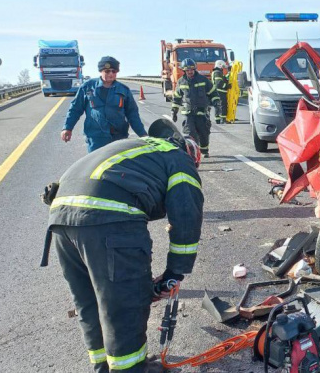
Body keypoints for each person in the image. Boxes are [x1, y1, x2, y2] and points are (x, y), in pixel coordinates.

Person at [40, 118, 203, 373]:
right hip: (107, 219)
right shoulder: (179, 159)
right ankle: (131, 369)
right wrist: (174, 273)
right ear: (191, 154)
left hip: (61, 218)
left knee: (90, 301)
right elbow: (186, 217)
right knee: (125, 303)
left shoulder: (135, 148)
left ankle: (103, 366)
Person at [62, 56, 147, 152]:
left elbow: (133, 115)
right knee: (96, 166)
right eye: (107, 71)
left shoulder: (124, 90)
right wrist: (67, 128)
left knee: (118, 166)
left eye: (113, 71)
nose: (110, 74)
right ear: (101, 71)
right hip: (96, 139)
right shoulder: (87, 87)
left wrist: (143, 135)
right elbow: (75, 109)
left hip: (118, 138)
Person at [171, 58, 219, 157]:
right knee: (190, 134)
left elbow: (213, 92)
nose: (190, 72)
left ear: (195, 69)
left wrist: (216, 103)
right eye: (187, 70)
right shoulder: (181, 82)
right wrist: (174, 112)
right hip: (188, 114)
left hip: (202, 113)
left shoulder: (203, 80)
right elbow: (177, 98)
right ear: (184, 70)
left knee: (204, 133)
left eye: (192, 70)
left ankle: (204, 151)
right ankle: (193, 153)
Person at [211, 60, 230, 124]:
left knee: (218, 105)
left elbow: (223, 79)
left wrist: (229, 74)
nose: (223, 68)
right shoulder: (217, 72)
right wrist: (227, 86)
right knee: (222, 105)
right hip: (220, 92)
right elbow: (219, 83)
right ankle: (223, 119)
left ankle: (218, 119)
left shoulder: (218, 72)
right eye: (223, 66)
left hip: (218, 92)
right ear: (220, 65)